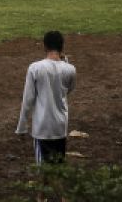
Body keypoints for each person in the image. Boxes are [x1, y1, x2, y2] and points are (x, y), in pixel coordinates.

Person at [16, 30, 77, 170]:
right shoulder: (70, 69)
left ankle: (58, 193)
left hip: (42, 127)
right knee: (58, 166)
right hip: (60, 126)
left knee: (44, 169)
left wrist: (21, 127)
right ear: (62, 47)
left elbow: (28, 100)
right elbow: (70, 89)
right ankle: (46, 193)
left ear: (45, 46)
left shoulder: (35, 68)